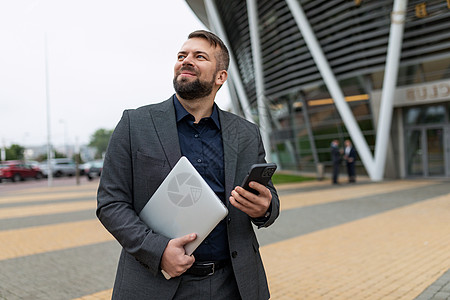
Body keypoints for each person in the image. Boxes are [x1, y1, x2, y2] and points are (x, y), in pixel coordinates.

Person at [96, 30, 280, 300]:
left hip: (234, 285)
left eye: (199, 56)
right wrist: (157, 251)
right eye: (182, 55)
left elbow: (269, 198)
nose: (186, 60)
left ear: (220, 77)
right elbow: (111, 203)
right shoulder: (134, 124)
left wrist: (265, 208)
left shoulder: (246, 133)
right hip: (155, 284)